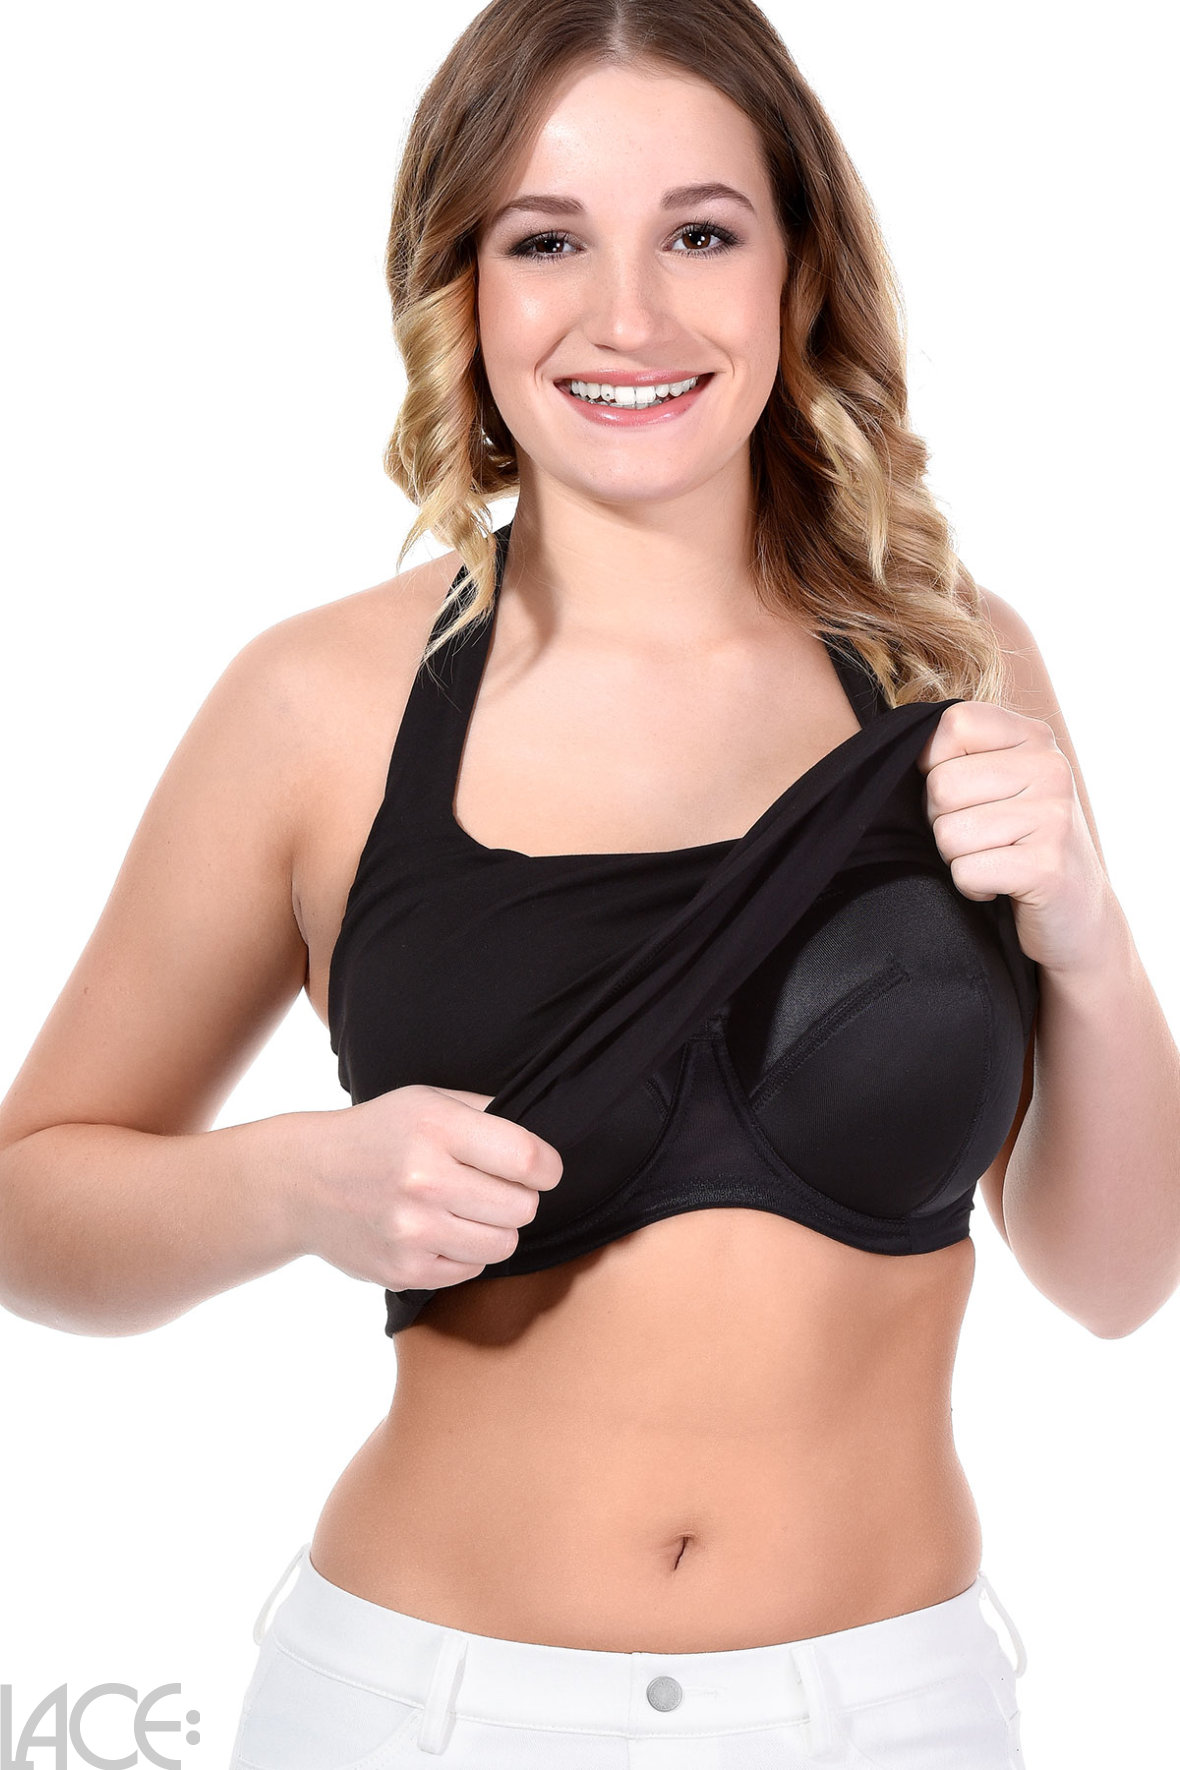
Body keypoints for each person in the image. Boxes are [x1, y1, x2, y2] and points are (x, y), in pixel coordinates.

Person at [1, 1, 1177, 1766]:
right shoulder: (320, 704)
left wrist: (1087, 939)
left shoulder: (952, 663)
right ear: (461, 286)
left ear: (798, 272)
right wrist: (296, 1184)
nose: (629, 318)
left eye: (701, 234)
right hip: (420, 1707)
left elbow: (1115, 1276)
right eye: (548, 242)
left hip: (888, 1712)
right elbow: (29, 1205)